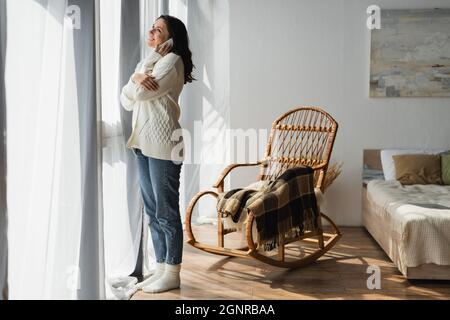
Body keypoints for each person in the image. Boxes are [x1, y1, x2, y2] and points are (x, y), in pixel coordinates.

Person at [120, 15, 194, 293]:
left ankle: (172, 272)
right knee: (152, 211)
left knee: (166, 211)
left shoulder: (172, 61)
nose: (151, 31)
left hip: (164, 145)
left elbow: (138, 96)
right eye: (152, 27)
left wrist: (140, 75)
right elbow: (126, 98)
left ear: (171, 37)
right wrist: (137, 76)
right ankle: (161, 268)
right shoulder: (151, 62)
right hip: (142, 143)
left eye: (158, 29)